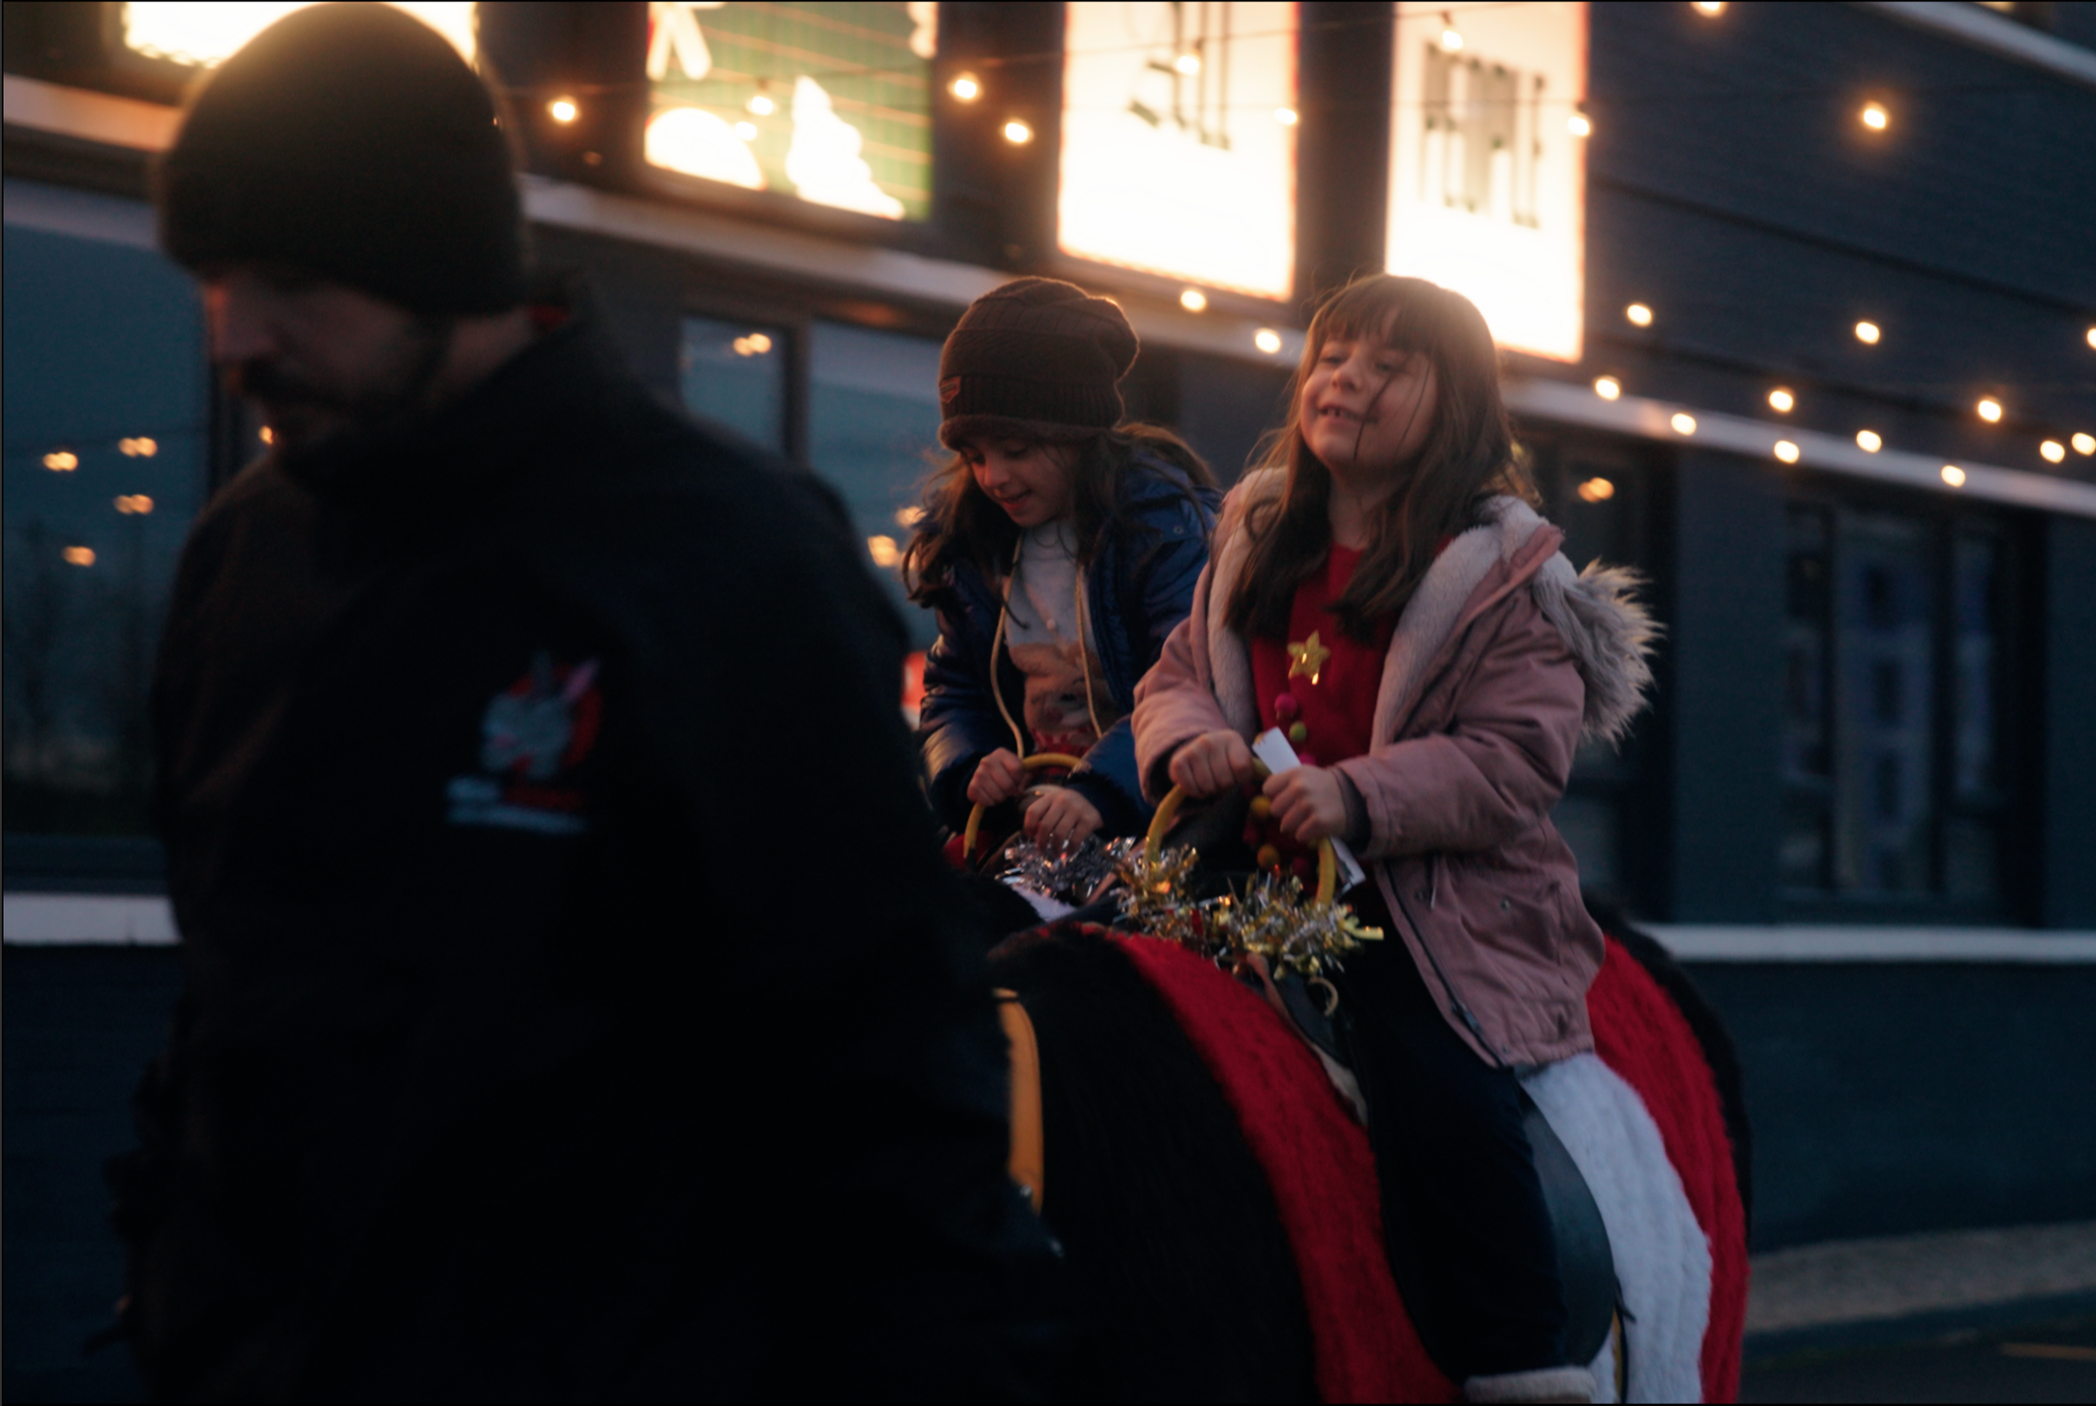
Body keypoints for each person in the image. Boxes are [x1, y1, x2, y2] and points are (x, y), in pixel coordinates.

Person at [116, 6, 1055, 1398]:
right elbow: (229, 996)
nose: (235, 334)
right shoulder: (248, 554)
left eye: (288, 279)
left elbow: (890, 1076)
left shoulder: (726, 560)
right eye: (210, 278)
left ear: (437, 262)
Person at [1129, 275, 1655, 1403]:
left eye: (1386, 364)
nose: (1346, 380)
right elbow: (1174, 678)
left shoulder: (1508, 575)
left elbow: (1515, 759)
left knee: (1438, 1091)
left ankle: (1523, 1361)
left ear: (1454, 400)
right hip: (1240, 891)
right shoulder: (1258, 538)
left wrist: (1356, 796)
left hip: (1425, 916)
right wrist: (1192, 744)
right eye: (1332, 355)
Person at [905, 278, 1222, 848]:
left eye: (1016, 450)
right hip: (1020, 827)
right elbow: (953, 686)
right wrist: (965, 768)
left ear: (1078, 433)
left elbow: (1189, 681)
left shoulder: (1161, 529)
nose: (992, 476)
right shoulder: (971, 539)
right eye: (973, 456)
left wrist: (1102, 791)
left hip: (1147, 831)